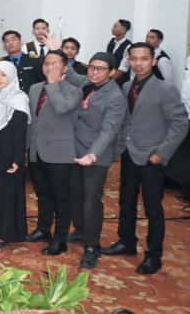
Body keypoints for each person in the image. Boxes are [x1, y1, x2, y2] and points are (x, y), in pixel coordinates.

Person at [102, 42, 189, 275]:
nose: (138, 63)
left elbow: (180, 123)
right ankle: (126, 241)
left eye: (144, 59)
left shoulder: (165, 89)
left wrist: (162, 153)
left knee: (153, 208)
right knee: (126, 202)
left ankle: (153, 255)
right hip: (129, 154)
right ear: (128, 61)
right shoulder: (126, 86)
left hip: (152, 158)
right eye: (134, 59)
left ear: (153, 61)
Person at [71, 53, 126, 269]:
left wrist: (93, 154)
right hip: (76, 150)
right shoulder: (87, 84)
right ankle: (80, 230)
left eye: (100, 69)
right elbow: (72, 74)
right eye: (91, 67)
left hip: (96, 155)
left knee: (91, 201)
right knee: (75, 193)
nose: (94, 72)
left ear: (111, 72)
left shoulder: (115, 96)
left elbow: (108, 131)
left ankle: (92, 246)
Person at [26, 50, 81, 255]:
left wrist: (52, 84)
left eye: (55, 64)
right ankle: (43, 229)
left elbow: (61, 108)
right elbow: (32, 121)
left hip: (60, 153)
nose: (49, 67)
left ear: (65, 67)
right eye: (47, 64)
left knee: (61, 198)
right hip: (36, 150)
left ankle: (60, 239)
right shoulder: (34, 88)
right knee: (42, 194)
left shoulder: (74, 91)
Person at [0, 61, 29, 248]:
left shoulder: (19, 99)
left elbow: (20, 132)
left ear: (11, 77)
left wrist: (18, 158)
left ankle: (5, 233)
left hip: (10, 153)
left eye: (3, 75)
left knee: (8, 193)